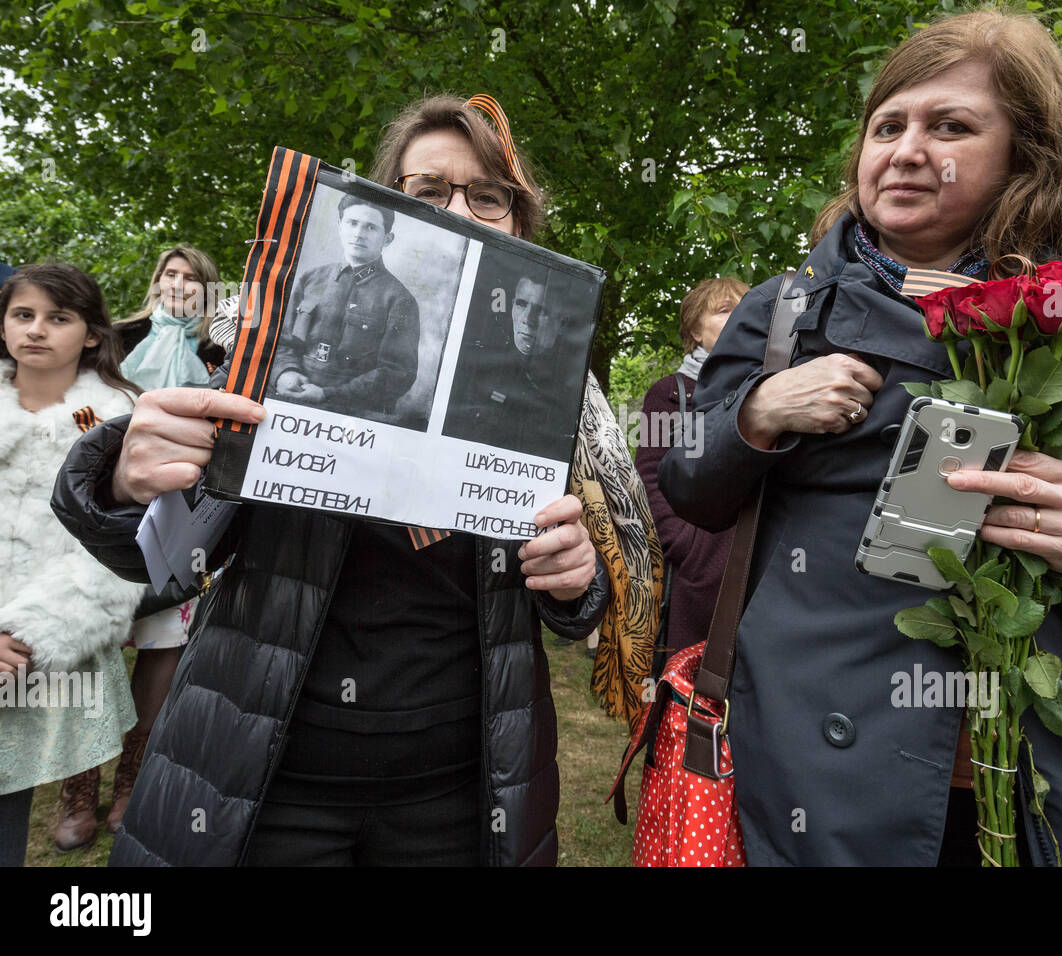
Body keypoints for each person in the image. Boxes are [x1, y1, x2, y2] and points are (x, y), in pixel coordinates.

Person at [659, 9, 1062, 866]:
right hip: (823, 769)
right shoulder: (785, 308)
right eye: (888, 126)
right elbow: (688, 484)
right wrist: (756, 414)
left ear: (1028, 154)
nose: (906, 150)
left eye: (950, 126)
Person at [52, 94, 655, 866]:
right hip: (268, 779)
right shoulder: (260, 340)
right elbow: (161, 563)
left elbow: (578, 598)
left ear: (517, 224)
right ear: (381, 206)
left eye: (488, 195)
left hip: (459, 793)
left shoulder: (558, 396)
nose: (461, 210)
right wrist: (123, 482)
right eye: (428, 190)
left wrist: (575, 587)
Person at [77, 245, 228, 840]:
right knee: (94, 644)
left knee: (162, 643)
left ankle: (130, 783)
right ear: (156, 280)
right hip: (106, 501)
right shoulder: (117, 338)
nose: (178, 284)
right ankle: (77, 789)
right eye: (169, 273)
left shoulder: (218, 348)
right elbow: (79, 404)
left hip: (178, 512)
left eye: (192, 278)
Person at [0, 263, 144, 862]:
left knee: (7, 805)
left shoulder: (122, 420)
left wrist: (25, 636)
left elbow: (121, 549)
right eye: (22, 315)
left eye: (58, 317)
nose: (37, 330)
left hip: (41, 648)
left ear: (90, 333)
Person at [635, 277, 746, 656]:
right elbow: (649, 479)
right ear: (696, 331)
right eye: (724, 310)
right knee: (688, 698)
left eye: (744, 309)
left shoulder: (769, 388)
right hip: (695, 579)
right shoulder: (669, 393)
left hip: (756, 572)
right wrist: (689, 548)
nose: (738, 317)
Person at [270, 195, 421, 421]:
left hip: (351, 419)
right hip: (289, 403)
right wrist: (285, 372)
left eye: (370, 227)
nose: (358, 234)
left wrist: (327, 394)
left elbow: (398, 373)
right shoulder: (310, 279)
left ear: (387, 238)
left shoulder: (398, 299)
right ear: (340, 227)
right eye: (352, 223)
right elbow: (280, 341)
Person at [442, 267, 574, 459]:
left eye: (542, 311)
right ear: (512, 306)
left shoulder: (572, 388)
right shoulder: (479, 367)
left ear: (561, 323)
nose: (528, 320)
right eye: (521, 304)